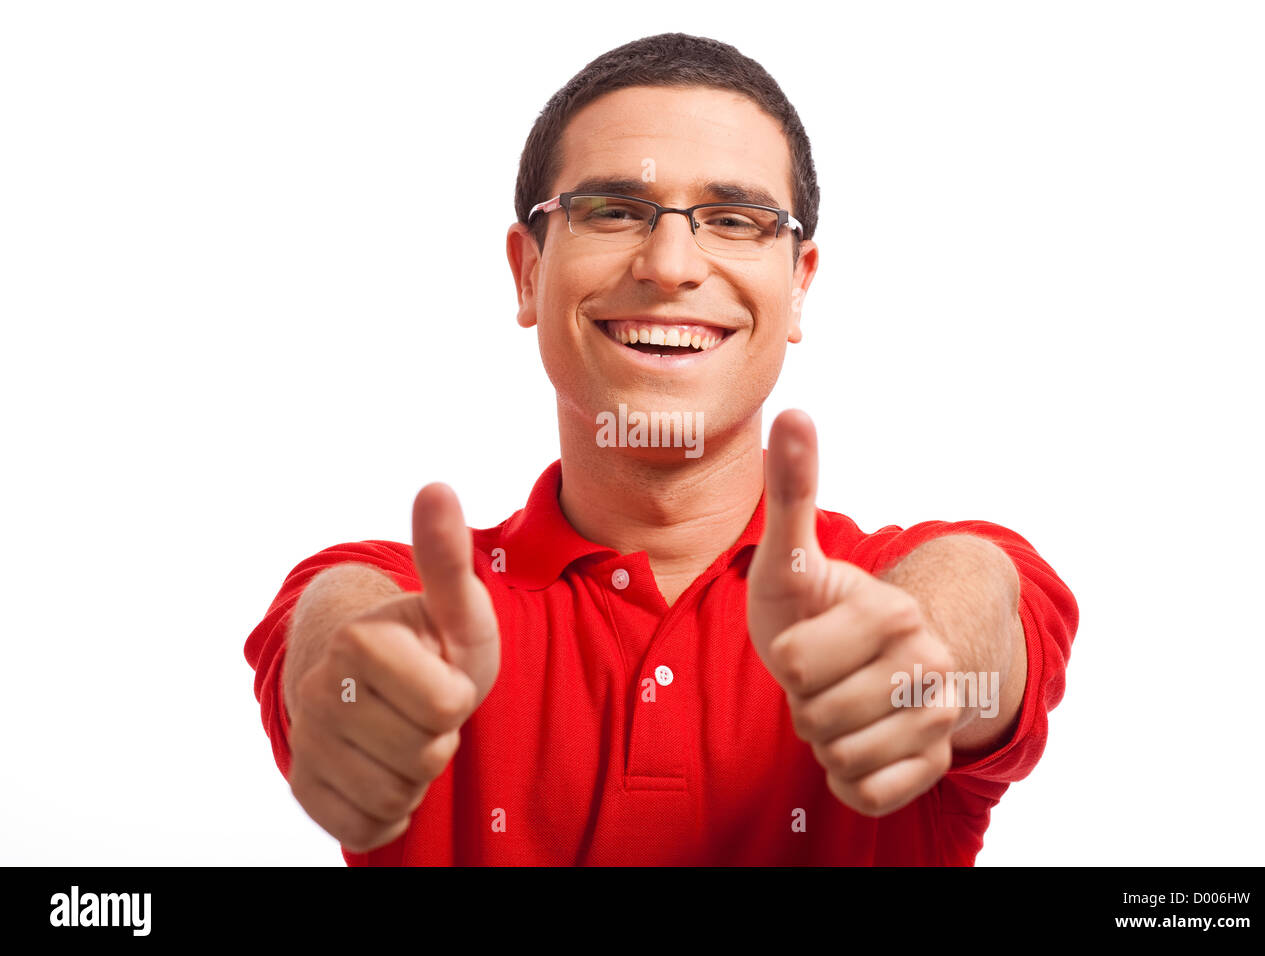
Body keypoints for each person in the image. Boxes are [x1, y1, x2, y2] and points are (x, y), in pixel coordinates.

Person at [244, 32, 1079, 866]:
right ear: (528, 271)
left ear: (798, 286)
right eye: (612, 211)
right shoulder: (410, 597)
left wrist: (924, 649)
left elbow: (984, 605)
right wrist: (354, 680)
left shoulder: (904, 577)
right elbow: (328, 627)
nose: (671, 264)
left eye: (734, 219)